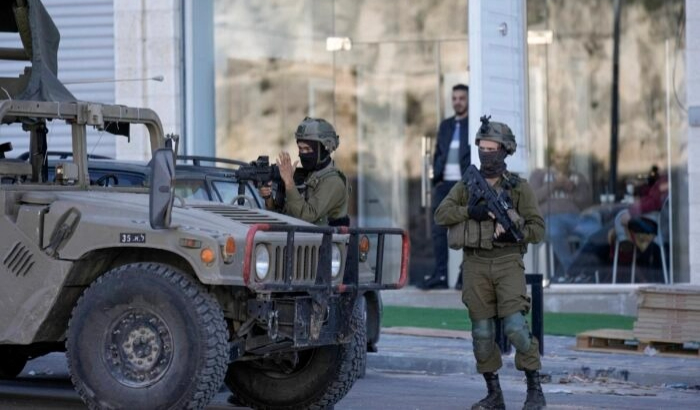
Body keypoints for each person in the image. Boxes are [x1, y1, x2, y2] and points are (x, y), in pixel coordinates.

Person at [435, 116, 546, 410]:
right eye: (482, 148)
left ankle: (535, 389)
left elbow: (538, 229)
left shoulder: (519, 187)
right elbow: (441, 214)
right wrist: (473, 211)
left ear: (505, 150)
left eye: (492, 148)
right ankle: (494, 393)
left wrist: (514, 229)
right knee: (482, 333)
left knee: (515, 328)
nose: (486, 154)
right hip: (475, 264)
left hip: (508, 262)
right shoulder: (468, 184)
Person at [421, 83, 471, 290]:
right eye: (455, 98)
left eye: (461, 98)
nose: (457, 102)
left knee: (467, 229)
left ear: (468, 100)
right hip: (444, 184)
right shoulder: (446, 125)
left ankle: (464, 275)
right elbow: (439, 152)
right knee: (438, 230)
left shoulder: (473, 123)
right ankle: (441, 275)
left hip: (464, 184)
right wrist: (436, 178)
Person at [259, 116, 350, 227]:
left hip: (327, 243)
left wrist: (289, 183)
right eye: (300, 149)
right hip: (301, 240)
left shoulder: (333, 181)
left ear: (323, 149)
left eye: (307, 149)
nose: (302, 154)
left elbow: (306, 216)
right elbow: (284, 215)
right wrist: (268, 198)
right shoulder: (307, 175)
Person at [529, 149, 596, 281]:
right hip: (550, 217)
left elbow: (587, 203)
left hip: (575, 218)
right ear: (553, 158)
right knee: (554, 232)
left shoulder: (578, 177)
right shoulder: (540, 174)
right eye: (560, 157)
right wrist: (554, 185)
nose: (563, 161)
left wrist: (573, 189)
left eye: (567, 158)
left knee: (594, 230)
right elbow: (531, 199)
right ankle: (573, 272)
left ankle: (572, 272)